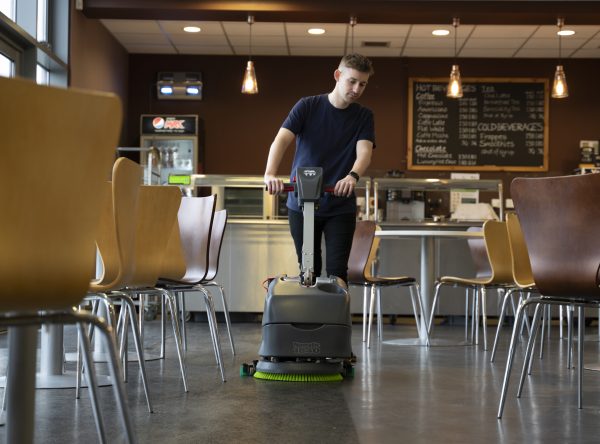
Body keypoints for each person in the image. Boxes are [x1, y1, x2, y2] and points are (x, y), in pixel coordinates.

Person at [264, 53, 375, 284]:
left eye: (362, 84)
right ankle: (310, 320)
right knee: (308, 270)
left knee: (337, 272)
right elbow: (281, 140)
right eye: (352, 81)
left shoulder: (363, 116)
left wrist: (352, 176)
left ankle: (337, 320)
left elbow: (364, 151)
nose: (356, 88)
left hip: (339, 203)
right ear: (338, 75)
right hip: (301, 203)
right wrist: (270, 174)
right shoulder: (308, 106)